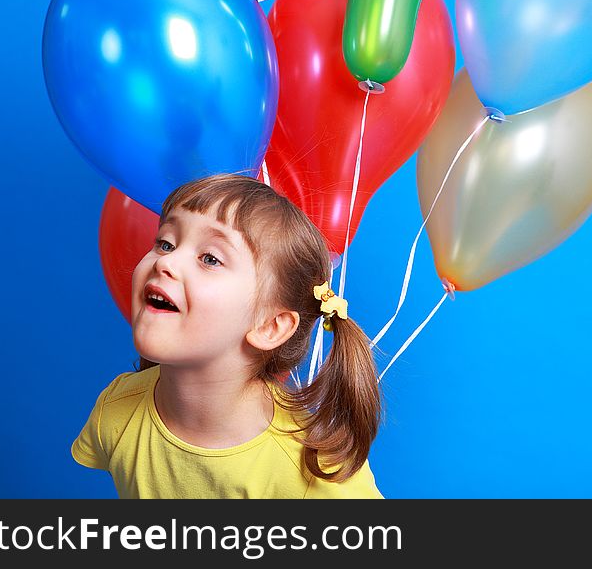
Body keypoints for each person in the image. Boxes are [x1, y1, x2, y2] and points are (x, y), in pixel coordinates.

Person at [71, 173, 383, 498]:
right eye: (165, 243)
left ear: (269, 326)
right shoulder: (117, 409)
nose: (167, 261)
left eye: (210, 259)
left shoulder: (316, 475)